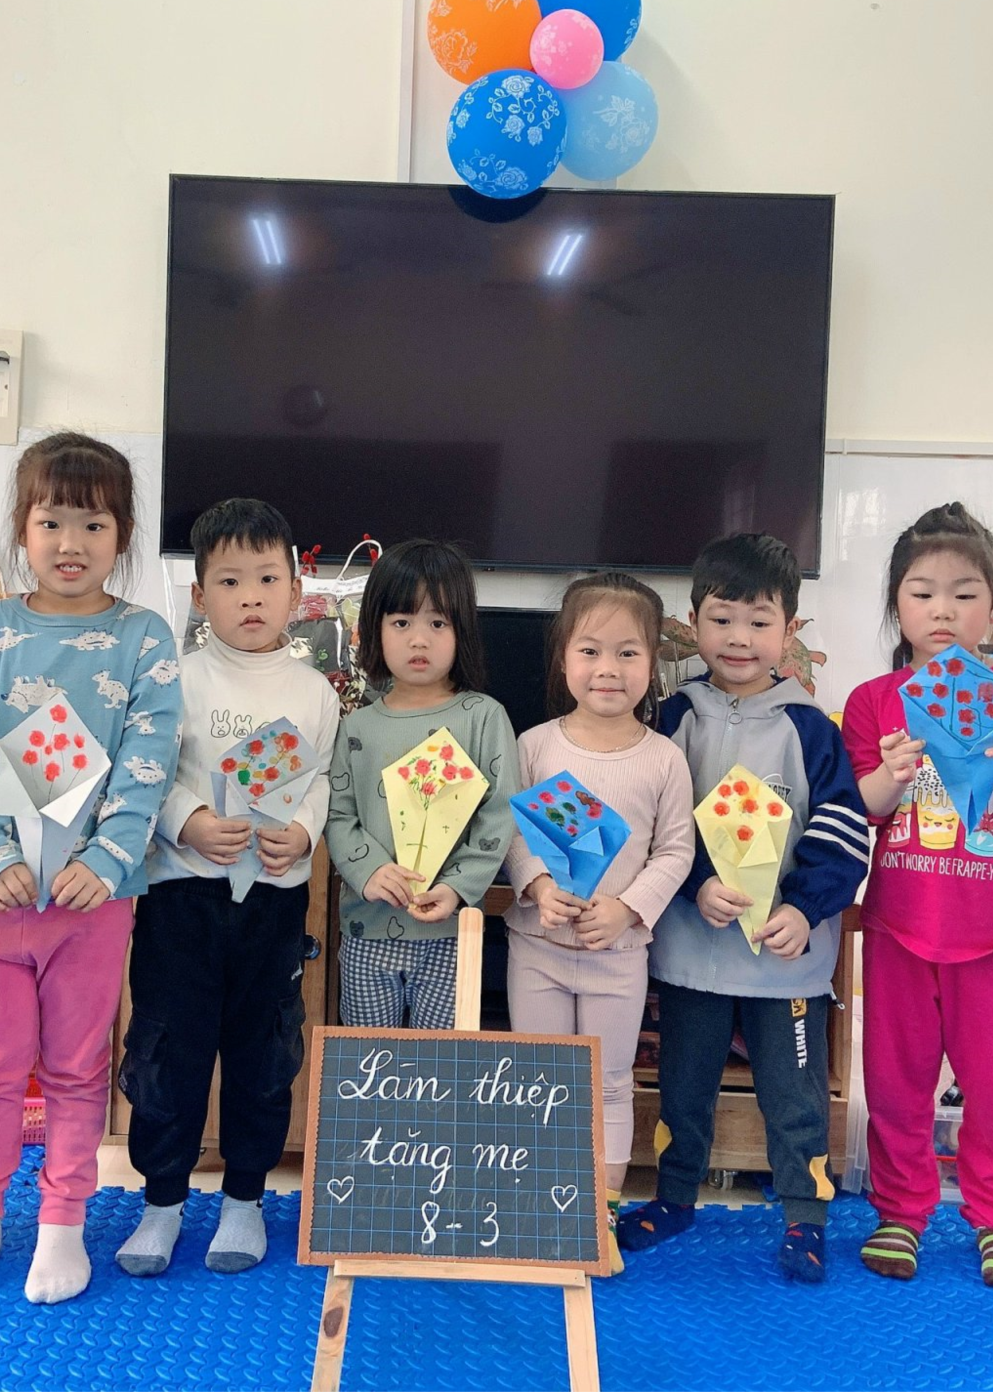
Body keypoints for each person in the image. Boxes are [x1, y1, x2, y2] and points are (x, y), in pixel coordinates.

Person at [0, 432, 183, 1306]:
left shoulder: (143, 637)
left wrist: (108, 856)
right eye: (51, 520)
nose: (70, 542)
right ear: (21, 528)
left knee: (76, 1065)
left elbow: (149, 757)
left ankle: (63, 1224)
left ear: (122, 534)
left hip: (93, 902)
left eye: (93, 523)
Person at [840, 502, 993, 1289]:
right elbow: (860, 807)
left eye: (963, 593)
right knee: (895, 1084)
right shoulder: (876, 699)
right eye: (922, 594)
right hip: (900, 928)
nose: (942, 610)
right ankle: (900, 1210)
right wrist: (891, 774)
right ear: (897, 606)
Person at [614, 535, 868, 1283]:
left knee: (794, 1097)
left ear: (790, 629)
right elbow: (653, 822)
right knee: (683, 1086)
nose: (739, 638)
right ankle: (674, 1197)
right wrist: (694, 883)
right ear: (693, 622)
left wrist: (805, 908)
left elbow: (844, 828)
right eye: (722, 619)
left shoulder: (813, 730)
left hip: (786, 965)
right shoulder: (673, 718)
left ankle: (805, 1216)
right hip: (690, 954)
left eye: (760, 622)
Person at [116, 498, 340, 1278]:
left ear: (297, 591)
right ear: (199, 594)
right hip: (182, 897)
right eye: (231, 580)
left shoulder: (315, 692)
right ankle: (162, 1201)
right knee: (166, 1051)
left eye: (268, 579)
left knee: (263, 1051)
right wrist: (188, 822)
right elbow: (147, 773)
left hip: (273, 900)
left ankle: (245, 1197)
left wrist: (303, 831)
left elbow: (320, 780)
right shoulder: (173, 679)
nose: (251, 597)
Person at [504, 572, 696, 1275]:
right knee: (540, 1078)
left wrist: (628, 908)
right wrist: (537, 885)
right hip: (537, 947)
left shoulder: (664, 758)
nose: (607, 669)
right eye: (590, 651)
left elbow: (676, 850)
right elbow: (510, 832)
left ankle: (599, 1216)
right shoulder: (535, 745)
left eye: (627, 653)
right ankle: (540, 1211)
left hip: (619, 954)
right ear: (563, 659)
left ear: (653, 663)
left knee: (610, 1083)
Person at [325, 538, 518, 1029]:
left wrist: (457, 888)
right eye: (401, 622)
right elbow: (339, 815)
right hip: (367, 930)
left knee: (440, 1065)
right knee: (367, 1062)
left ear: (462, 630)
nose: (418, 640)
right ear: (374, 628)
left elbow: (499, 815)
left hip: (453, 933)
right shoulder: (356, 725)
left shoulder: (483, 717)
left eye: (438, 623)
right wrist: (368, 870)